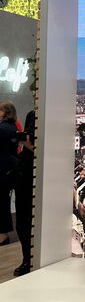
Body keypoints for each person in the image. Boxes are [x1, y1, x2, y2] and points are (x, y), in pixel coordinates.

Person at [13, 110, 35, 276]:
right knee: (24, 221)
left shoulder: (33, 114)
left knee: (24, 221)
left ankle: (28, 259)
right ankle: (28, 259)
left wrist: (26, 144)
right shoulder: (33, 114)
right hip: (28, 174)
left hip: (27, 173)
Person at [0, 101, 19, 246]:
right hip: (8, 169)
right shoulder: (12, 126)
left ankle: (2, 234)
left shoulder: (3, 128)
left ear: (5, 112)